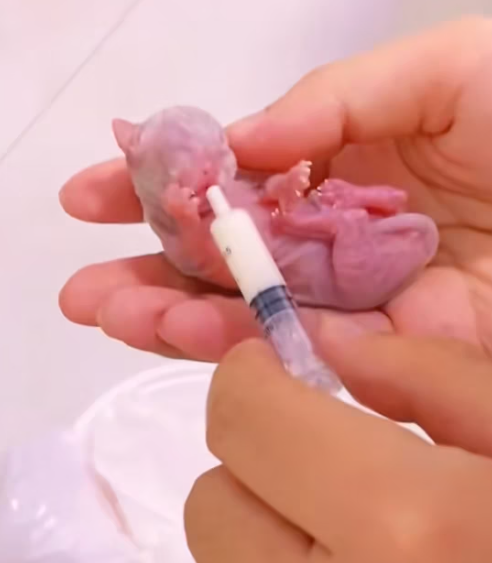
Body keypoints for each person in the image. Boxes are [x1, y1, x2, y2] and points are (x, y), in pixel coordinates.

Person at [59, 16, 492, 560]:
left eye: (220, 156)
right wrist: (185, 219)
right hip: (319, 268)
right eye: (190, 175)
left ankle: (362, 226)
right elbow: (202, 258)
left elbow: (274, 206)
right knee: (343, 231)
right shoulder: (181, 228)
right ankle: (358, 227)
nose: (215, 176)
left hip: (323, 257)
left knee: (349, 222)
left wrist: (285, 189)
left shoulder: (230, 187)